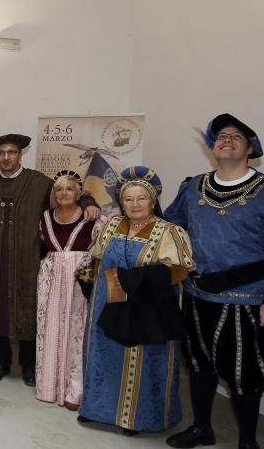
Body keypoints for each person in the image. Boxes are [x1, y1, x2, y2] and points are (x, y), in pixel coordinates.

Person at [164, 114, 264, 449]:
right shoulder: (192, 187)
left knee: (245, 375)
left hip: (249, 300)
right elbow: (170, 227)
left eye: (236, 136)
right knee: (198, 365)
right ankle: (202, 428)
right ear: (212, 148)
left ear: (250, 147)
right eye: (221, 136)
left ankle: (247, 443)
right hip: (197, 295)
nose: (227, 139)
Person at [77, 166, 195, 435]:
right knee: (103, 356)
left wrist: (135, 280)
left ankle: (137, 418)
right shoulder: (111, 226)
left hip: (147, 309)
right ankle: (97, 410)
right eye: (128, 199)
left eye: (141, 198)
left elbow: (178, 271)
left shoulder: (169, 231)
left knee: (142, 360)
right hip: (106, 304)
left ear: (153, 201)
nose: (135, 204)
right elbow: (96, 260)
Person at [0, 133, 99, 386]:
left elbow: (70, 194)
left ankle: (29, 365)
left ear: (20, 155)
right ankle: (1, 361)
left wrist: (88, 201)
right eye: (2, 153)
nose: (7, 157)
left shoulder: (40, 183)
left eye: (12, 152)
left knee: (28, 310)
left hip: (29, 261)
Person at [35, 170, 99, 409]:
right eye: (59, 189)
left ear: (79, 193)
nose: (64, 193)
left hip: (77, 279)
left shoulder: (91, 217)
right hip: (50, 280)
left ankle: (74, 390)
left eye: (69, 188)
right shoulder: (45, 218)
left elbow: (100, 248)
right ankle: (48, 386)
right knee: (50, 329)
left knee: (76, 331)